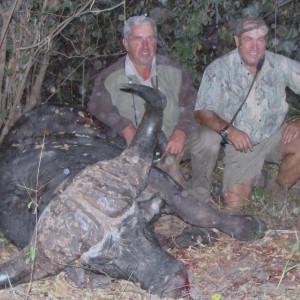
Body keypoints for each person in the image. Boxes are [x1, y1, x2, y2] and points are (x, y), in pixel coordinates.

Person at [88, 15, 206, 196]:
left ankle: (201, 193)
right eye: (138, 39)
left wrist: (181, 130)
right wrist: (125, 128)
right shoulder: (109, 77)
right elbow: (96, 110)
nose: (145, 46)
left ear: (156, 42)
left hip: (171, 144)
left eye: (150, 38)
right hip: (134, 151)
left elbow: (191, 104)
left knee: (209, 140)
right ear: (126, 43)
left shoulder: (174, 71)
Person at [194, 16, 300, 209]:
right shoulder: (219, 69)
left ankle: (277, 189)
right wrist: (229, 131)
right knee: (235, 208)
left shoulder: (280, 64)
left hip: (277, 135)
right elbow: (202, 112)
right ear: (237, 41)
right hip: (242, 145)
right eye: (248, 39)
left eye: (260, 39)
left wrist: (299, 121)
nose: (255, 46)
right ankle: (258, 178)